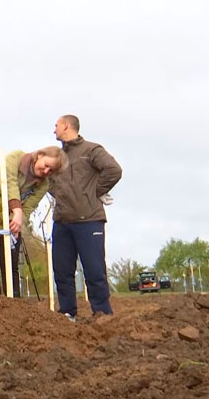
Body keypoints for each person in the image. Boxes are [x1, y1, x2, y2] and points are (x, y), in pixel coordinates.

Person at [0, 147, 68, 298]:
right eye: (46, 165)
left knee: (10, 261)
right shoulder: (15, 158)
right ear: (39, 155)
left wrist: (17, 223)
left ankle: (13, 304)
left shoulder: (43, 186)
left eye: (51, 171)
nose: (46, 171)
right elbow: (9, 184)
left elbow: (28, 208)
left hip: (8, 220)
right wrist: (17, 210)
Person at [49, 115, 122, 321]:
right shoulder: (58, 156)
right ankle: (67, 313)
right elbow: (51, 182)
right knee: (62, 272)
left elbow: (114, 170)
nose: (54, 130)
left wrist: (94, 192)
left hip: (89, 220)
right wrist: (60, 195)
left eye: (56, 126)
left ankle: (102, 315)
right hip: (62, 221)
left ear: (66, 126)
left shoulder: (91, 150)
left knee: (94, 270)